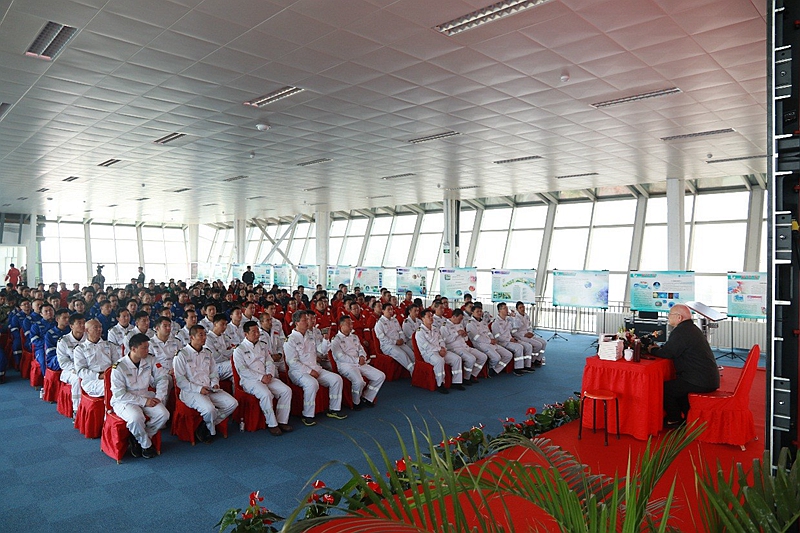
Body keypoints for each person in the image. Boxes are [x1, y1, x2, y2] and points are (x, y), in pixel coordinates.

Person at [647, 304, 720, 428]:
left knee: (664, 388)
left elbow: (668, 353)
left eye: (670, 314)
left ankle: (674, 419)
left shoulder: (681, 331)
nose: (668, 317)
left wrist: (651, 350)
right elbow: (673, 348)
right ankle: (686, 417)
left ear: (679, 317)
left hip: (699, 380)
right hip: (706, 377)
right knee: (677, 387)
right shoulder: (691, 329)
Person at [110, 333, 170, 459]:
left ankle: (139, 437)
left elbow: (162, 378)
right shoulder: (119, 367)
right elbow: (120, 394)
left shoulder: (150, 359)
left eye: (148, 347)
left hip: (145, 394)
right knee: (136, 418)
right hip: (125, 400)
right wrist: (144, 401)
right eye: (144, 348)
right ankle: (146, 445)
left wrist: (159, 397)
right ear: (133, 349)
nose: (147, 350)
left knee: (164, 415)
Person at [284, 310, 346, 426]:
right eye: (304, 320)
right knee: (312, 384)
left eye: (308, 320)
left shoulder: (310, 335)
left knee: (336, 379)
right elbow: (292, 362)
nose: (308, 322)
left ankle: (334, 409)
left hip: (315, 367)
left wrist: (326, 339)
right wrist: (309, 371)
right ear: (297, 323)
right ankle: (307, 415)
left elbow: (321, 351)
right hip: (298, 372)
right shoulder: (290, 340)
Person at [232, 321, 293, 436]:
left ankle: (282, 420)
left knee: (286, 391)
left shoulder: (263, 345)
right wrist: (261, 377)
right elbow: (243, 370)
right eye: (253, 332)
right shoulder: (239, 350)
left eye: (258, 331)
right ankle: (272, 424)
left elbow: (269, 361)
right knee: (266, 394)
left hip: (267, 376)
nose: (257, 334)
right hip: (250, 380)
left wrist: (269, 374)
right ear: (246, 334)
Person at [330, 315, 385, 409]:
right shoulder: (336, 340)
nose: (351, 326)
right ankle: (356, 402)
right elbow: (340, 357)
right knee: (359, 382)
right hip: (346, 365)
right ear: (341, 326)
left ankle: (367, 397)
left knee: (380, 376)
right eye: (348, 324)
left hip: (360, 363)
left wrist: (362, 356)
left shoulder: (354, 337)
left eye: (351, 324)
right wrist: (357, 360)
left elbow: (360, 349)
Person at [415, 309, 465, 394]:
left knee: (457, 359)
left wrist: (443, 348)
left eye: (432, 316)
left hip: (440, 350)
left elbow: (441, 340)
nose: (431, 318)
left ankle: (456, 382)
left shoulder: (435, 329)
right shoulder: (419, 332)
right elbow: (426, 346)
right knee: (439, 361)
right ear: (423, 318)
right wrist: (439, 349)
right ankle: (440, 384)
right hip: (428, 353)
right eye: (429, 316)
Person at [74, 319, 121, 398]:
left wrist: (112, 374)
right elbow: (80, 371)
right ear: (87, 330)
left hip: (111, 376)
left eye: (100, 327)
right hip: (92, 381)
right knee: (114, 386)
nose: (99, 329)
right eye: (95, 327)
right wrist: (99, 376)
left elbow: (116, 363)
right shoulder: (80, 349)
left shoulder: (110, 345)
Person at [442, 309, 487, 384]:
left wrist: (464, 335)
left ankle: (473, 374)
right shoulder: (445, 326)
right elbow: (445, 340)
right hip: (454, 348)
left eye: (461, 319)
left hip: (465, 346)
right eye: (459, 319)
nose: (460, 321)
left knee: (483, 357)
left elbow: (466, 339)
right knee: (471, 359)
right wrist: (456, 334)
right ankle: (466, 378)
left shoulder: (460, 324)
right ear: (454, 317)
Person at [466, 303, 512, 376]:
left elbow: (489, 332)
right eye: (477, 311)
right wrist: (490, 341)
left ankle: (496, 369)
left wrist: (492, 338)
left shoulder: (483, 322)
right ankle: (490, 368)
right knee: (496, 358)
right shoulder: (470, 324)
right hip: (480, 344)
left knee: (508, 355)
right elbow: (476, 338)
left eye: (480, 311)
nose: (479, 313)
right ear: (472, 312)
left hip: (490, 342)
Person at [56, 313, 87, 414]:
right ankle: (76, 409)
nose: (83, 325)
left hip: (88, 368)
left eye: (84, 323)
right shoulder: (64, 341)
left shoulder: (89, 337)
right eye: (79, 323)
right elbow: (63, 363)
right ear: (71, 326)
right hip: (70, 371)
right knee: (77, 379)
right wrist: (78, 368)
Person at [491, 302, 531, 376]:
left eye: (507, 308)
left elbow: (518, 325)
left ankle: (526, 366)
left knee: (527, 346)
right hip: (502, 342)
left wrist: (514, 317)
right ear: (499, 311)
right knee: (519, 347)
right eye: (504, 308)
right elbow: (497, 337)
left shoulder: (508, 319)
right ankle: (517, 368)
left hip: (511, 339)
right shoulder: (495, 323)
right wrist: (509, 339)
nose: (507, 310)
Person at [375, 303, 415, 373]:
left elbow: (400, 331)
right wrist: (395, 342)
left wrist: (402, 339)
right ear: (383, 311)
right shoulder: (379, 323)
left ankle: (417, 369)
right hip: (388, 346)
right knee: (402, 355)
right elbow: (382, 338)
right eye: (388, 310)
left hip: (399, 342)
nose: (391, 311)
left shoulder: (395, 320)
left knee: (411, 354)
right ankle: (413, 372)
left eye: (391, 309)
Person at [512, 301, 546, 366]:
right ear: (517, 309)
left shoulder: (526, 316)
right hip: (521, 337)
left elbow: (529, 326)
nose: (522, 309)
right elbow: (514, 332)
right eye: (520, 308)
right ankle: (532, 361)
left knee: (544, 342)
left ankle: (538, 359)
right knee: (538, 345)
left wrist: (530, 332)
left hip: (528, 335)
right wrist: (524, 334)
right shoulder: (515, 318)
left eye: (523, 307)